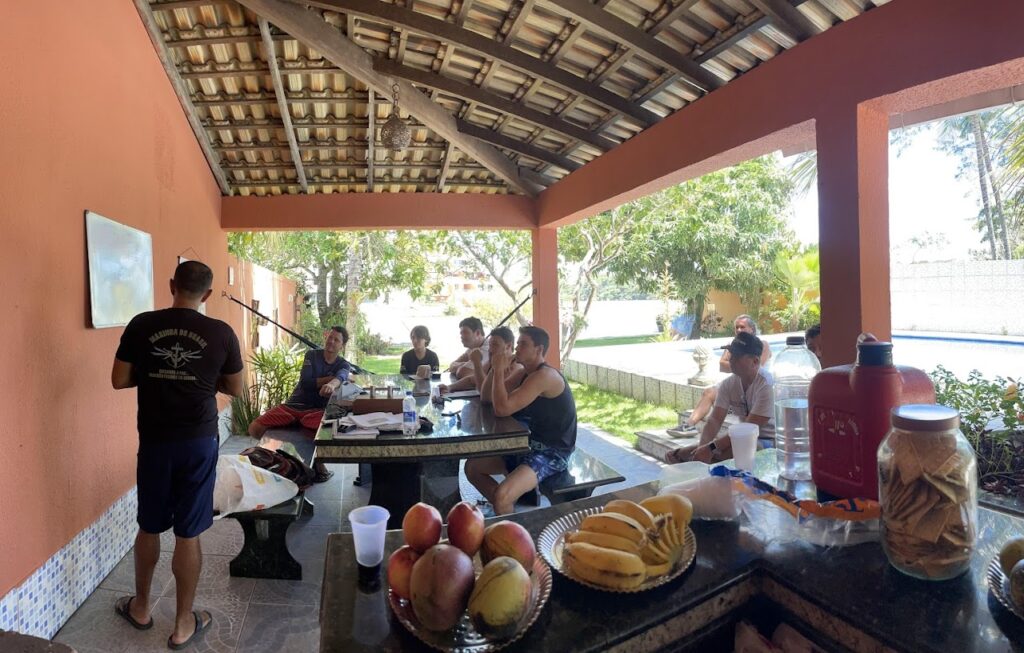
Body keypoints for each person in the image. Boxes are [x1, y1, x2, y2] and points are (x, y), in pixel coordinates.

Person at [111, 261, 243, 650]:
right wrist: (204, 378)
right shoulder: (221, 332)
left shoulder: (141, 324)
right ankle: (184, 623)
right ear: (206, 294)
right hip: (198, 442)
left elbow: (119, 378)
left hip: (154, 441)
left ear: (172, 286)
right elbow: (235, 388)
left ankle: (141, 608)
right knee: (189, 531)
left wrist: (152, 373)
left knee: (149, 525)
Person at [465, 326, 577, 515]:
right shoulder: (524, 373)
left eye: (523, 344)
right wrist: (495, 367)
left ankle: (507, 526)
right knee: (472, 467)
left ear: (539, 350)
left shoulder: (544, 376)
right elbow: (486, 398)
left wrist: (500, 370)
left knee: (502, 495)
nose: (517, 348)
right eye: (517, 344)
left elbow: (501, 409)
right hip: (528, 446)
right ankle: (507, 509)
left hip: (553, 453)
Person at [248, 326, 353, 482]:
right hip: (293, 407)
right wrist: (329, 380)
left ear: (342, 346)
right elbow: (306, 383)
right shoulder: (312, 355)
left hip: (315, 412)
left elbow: (342, 376)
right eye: (330, 337)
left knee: (329, 431)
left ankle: (316, 465)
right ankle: (279, 458)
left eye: (336, 340)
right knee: (254, 427)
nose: (331, 341)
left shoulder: (343, 364)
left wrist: (334, 383)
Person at [667, 332, 775, 464]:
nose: (731, 359)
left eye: (737, 356)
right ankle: (690, 454)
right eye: (731, 354)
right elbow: (715, 420)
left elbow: (748, 428)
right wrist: (702, 448)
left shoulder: (767, 385)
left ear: (755, 361)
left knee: (727, 453)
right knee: (698, 453)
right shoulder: (729, 384)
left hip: (770, 441)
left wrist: (710, 448)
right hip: (742, 437)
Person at [686, 314, 772, 428]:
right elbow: (722, 365)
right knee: (709, 392)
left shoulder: (762, 344)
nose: (739, 330)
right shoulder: (734, 344)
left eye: (742, 327)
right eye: (736, 327)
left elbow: (755, 367)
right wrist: (740, 365)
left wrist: (736, 365)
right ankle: (687, 425)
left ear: (752, 329)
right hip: (738, 385)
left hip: (755, 388)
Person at [469, 326, 523, 393]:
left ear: (508, 346)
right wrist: (452, 387)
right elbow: (472, 379)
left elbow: (486, 392)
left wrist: (477, 363)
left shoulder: (515, 366)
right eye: (490, 345)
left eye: (495, 345)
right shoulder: (492, 361)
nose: (490, 350)